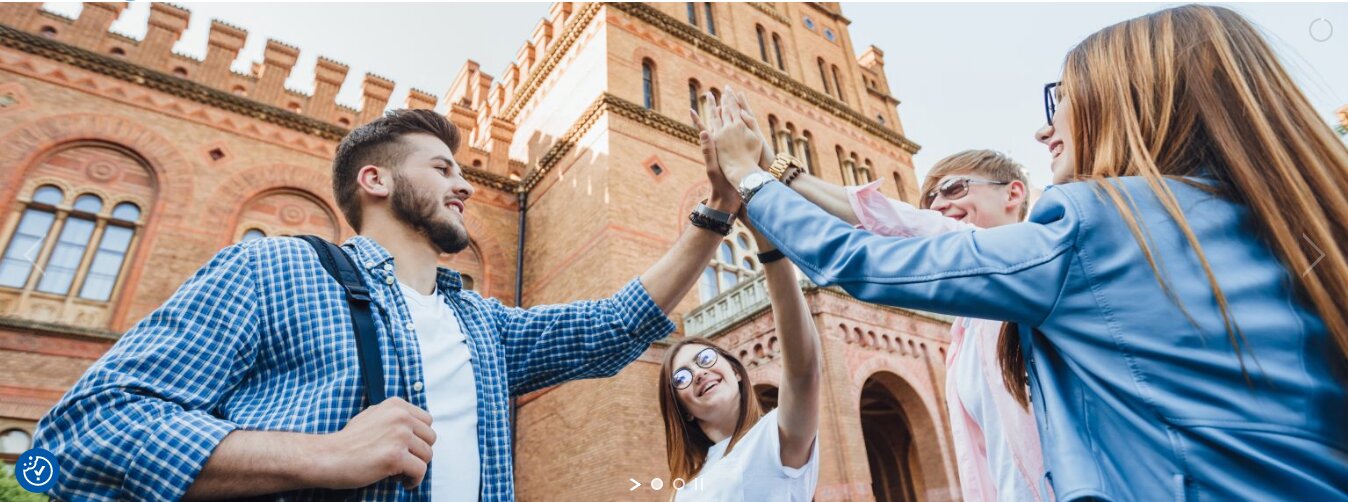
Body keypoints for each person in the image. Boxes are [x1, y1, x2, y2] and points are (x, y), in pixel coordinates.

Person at [705, 4, 1348, 500]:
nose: (1046, 126)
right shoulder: (1287, 221)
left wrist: (751, 178)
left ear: (1129, 100)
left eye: (1060, 98)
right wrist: (785, 170)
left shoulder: (1096, 222)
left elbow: (864, 260)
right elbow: (911, 225)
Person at [34, 109, 743, 501]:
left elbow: (614, 326)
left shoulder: (483, 324)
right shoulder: (275, 268)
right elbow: (76, 438)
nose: (463, 186)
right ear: (374, 179)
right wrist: (322, 456)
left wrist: (718, 208)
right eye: (442, 169)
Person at [777, 144, 1045, 500]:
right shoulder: (967, 330)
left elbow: (909, 229)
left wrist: (780, 175)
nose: (937, 205)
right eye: (930, 198)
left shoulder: (1037, 258)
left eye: (953, 189)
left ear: (1013, 192)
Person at [655, 101, 821, 502]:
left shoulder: (774, 440)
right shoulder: (687, 486)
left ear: (736, 371)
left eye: (707, 359)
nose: (698, 373)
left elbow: (802, 370)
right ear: (684, 409)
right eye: (682, 377)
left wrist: (766, 237)